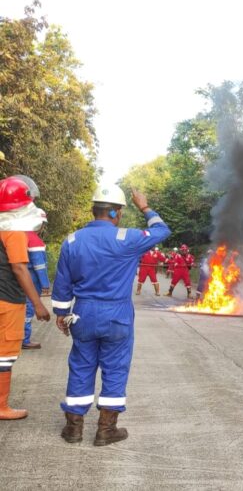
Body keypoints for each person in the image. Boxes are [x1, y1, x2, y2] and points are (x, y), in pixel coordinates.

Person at [52, 185, 170, 445]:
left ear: (93, 210)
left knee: (81, 366)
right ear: (117, 213)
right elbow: (163, 230)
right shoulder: (128, 238)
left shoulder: (72, 240)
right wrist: (145, 206)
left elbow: (62, 283)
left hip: (83, 313)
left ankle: (73, 428)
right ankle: (106, 430)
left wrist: (61, 313)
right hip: (117, 314)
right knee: (115, 368)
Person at [0, 177, 51, 420]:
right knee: (5, 354)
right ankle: (1, 407)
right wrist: (38, 305)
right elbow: (20, 268)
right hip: (7, 299)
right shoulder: (14, 231)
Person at [23, 210, 50, 349]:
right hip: (31, 282)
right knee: (28, 310)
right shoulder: (34, 240)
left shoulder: (20, 235)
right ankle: (24, 340)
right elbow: (39, 266)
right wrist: (45, 284)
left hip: (19, 282)